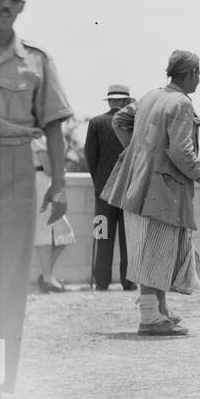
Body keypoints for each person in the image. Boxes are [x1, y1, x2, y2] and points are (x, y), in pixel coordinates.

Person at [0, 0, 72, 399]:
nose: (5, 4)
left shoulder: (36, 62)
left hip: (18, 167)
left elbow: (55, 126)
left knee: (10, 277)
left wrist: (59, 184)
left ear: (23, 5)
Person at [101, 50, 200, 335]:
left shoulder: (151, 96)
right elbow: (181, 152)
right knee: (157, 250)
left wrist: (140, 152)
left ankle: (160, 311)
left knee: (153, 249)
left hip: (136, 183)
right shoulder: (181, 104)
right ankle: (150, 317)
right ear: (189, 74)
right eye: (198, 73)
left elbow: (120, 121)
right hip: (163, 189)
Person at [85, 83, 136, 290]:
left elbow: (90, 156)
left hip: (102, 194)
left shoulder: (96, 123)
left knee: (102, 236)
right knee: (128, 239)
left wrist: (98, 182)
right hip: (128, 191)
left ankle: (101, 282)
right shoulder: (134, 125)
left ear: (110, 100)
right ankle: (128, 281)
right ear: (125, 101)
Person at [31, 135, 75, 292]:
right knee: (44, 229)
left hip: (48, 184)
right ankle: (48, 278)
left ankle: (46, 276)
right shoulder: (37, 137)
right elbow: (48, 168)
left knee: (64, 233)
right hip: (41, 183)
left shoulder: (44, 136)